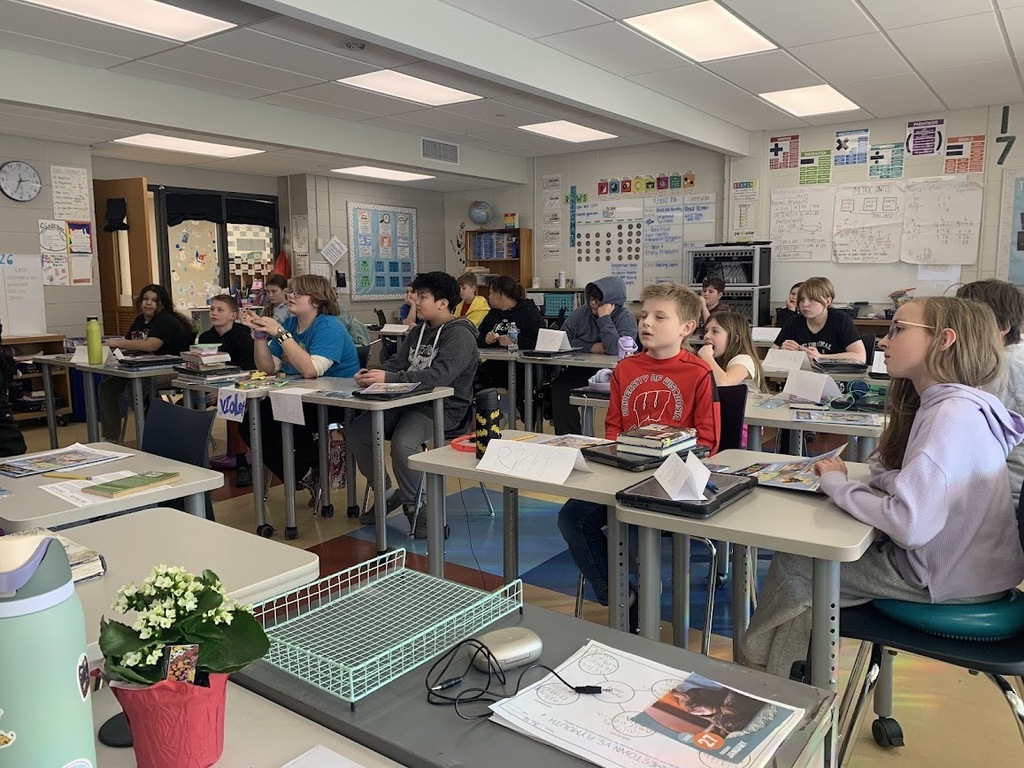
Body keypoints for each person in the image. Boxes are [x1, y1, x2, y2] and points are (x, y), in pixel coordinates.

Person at [743, 296, 1024, 678]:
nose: (884, 341)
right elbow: (918, 481)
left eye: (899, 329)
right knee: (810, 564)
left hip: (946, 578)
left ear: (944, 340)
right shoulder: (960, 405)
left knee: (799, 567)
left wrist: (838, 485)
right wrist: (883, 479)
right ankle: (777, 673)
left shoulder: (948, 416)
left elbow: (910, 524)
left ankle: (766, 682)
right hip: (975, 569)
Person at [556, 283, 720, 630]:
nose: (647, 323)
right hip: (625, 473)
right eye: (644, 315)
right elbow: (613, 428)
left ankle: (647, 592)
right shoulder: (627, 369)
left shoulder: (698, 372)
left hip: (673, 479)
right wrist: (622, 459)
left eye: (660, 317)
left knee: (634, 523)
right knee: (572, 517)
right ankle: (622, 596)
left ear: (686, 328)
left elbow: (707, 441)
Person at [351, 272, 479, 539]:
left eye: (422, 297)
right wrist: (372, 374)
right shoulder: (419, 331)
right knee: (358, 433)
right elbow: (398, 363)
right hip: (406, 401)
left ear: (443, 303)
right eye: (415, 296)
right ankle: (387, 493)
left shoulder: (460, 335)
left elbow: (439, 377)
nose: (415, 302)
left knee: (403, 445)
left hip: (442, 408)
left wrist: (391, 378)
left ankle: (414, 506)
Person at [238, 274, 359, 494]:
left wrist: (281, 334)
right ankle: (303, 475)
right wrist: (259, 335)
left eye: (298, 293)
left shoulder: (329, 326)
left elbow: (310, 370)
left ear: (316, 300)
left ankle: (311, 471)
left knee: (281, 421)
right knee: (251, 422)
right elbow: (268, 367)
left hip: (334, 403)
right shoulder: (292, 323)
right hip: (300, 398)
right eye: (291, 291)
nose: (290, 296)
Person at [956, 279, 1024, 505]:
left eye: (968, 322)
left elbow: (964, 443)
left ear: (1002, 326)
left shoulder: (1002, 367)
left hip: (1005, 499)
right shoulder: (1016, 351)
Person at [100, 284, 195, 442]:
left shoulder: (166, 320)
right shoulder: (139, 320)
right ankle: (111, 438)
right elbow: (131, 343)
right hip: (142, 367)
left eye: (154, 300)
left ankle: (154, 432)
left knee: (135, 387)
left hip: (172, 369)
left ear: (162, 304)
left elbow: (151, 345)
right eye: (145, 299)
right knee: (107, 387)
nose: (148, 303)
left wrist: (118, 342)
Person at [550, 276, 638, 434]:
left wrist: (604, 318)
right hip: (582, 369)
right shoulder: (581, 313)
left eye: (598, 300)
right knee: (559, 387)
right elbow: (562, 339)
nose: (592, 303)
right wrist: (590, 347)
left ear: (612, 302)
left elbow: (615, 348)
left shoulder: (626, 318)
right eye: (591, 298)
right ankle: (569, 438)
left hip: (613, 373)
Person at [197, 294, 256, 486]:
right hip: (210, 386)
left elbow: (248, 370)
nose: (214, 313)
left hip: (238, 387)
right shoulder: (206, 337)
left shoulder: (243, 335)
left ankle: (241, 463)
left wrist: (224, 391)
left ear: (233, 315)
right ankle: (195, 457)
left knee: (230, 404)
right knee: (184, 406)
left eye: (219, 310)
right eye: (212, 309)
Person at [475, 276, 543, 419]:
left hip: (523, 365)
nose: (489, 297)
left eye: (491, 293)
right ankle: (485, 415)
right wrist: (486, 339)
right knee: (475, 378)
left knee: (524, 390)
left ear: (499, 294)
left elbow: (540, 340)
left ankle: (522, 417)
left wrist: (516, 342)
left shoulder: (528, 312)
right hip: (498, 363)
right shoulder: (493, 313)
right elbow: (478, 337)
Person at [771, 276, 865, 364]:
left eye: (812, 299)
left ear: (828, 301)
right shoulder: (794, 322)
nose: (805, 304)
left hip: (835, 378)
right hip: (801, 376)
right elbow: (771, 356)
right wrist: (782, 351)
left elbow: (860, 357)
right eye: (802, 300)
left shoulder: (840, 320)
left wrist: (821, 357)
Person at [698, 312, 767, 393]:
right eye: (706, 331)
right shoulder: (719, 359)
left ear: (734, 339)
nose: (706, 336)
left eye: (715, 331)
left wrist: (707, 357)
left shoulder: (743, 360)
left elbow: (724, 384)